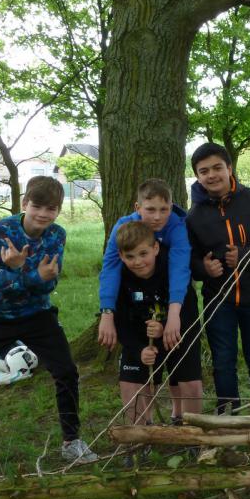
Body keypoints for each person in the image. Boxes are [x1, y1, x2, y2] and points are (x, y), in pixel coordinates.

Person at [0, 177, 97, 483]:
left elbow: (51, 282)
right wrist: (23, 273)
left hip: (37, 314)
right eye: (37, 206)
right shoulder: (4, 230)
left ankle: (71, 441)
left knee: (66, 371)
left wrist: (27, 275)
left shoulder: (57, 235)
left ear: (58, 210)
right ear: (24, 203)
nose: (43, 213)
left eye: (51, 208)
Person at [186, 142, 250, 413]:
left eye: (217, 167)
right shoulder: (194, 216)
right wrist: (204, 269)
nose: (212, 175)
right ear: (197, 176)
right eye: (203, 171)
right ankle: (229, 414)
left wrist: (246, 254)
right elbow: (190, 261)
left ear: (230, 168)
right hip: (218, 302)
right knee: (223, 360)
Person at [98, 178, 192, 422]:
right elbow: (109, 268)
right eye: (150, 209)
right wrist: (107, 314)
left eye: (164, 209)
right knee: (139, 365)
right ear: (137, 208)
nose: (158, 217)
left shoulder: (177, 227)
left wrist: (173, 316)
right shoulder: (123, 226)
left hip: (170, 297)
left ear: (172, 206)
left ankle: (179, 416)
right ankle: (141, 426)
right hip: (133, 303)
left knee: (179, 362)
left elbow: (180, 269)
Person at [110, 222, 203, 427]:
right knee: (130, 382)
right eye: (130, 257)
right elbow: (122, 323)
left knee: (190, 381)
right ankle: (140, 434)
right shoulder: (119, 277)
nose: (138, 262)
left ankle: (191, 430)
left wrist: (164, 326)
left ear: (156, 248)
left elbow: (189, 311)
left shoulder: (174, 267)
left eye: (143, 254)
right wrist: (139, 349)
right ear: (121, 256)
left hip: (177, 328)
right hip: (140, 336)